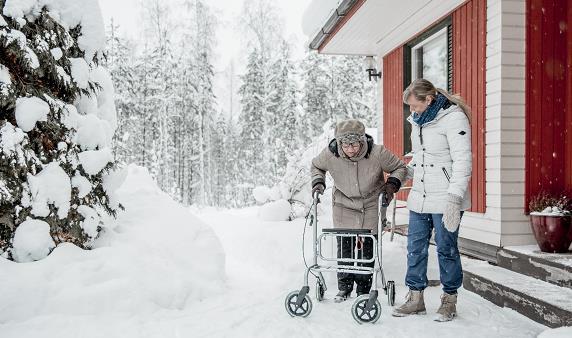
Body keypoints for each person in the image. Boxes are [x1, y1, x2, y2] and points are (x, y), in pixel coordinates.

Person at [392, 78, 472, 322]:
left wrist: (454, 198)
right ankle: (416, 298)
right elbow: (422, 156)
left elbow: (462, 161)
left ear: (429, 99)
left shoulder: (454, 118)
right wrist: (406, 171)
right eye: (409, 107)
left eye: (415, 105)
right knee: (414, 249)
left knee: (447, 249)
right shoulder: (418, 121)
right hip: (420, 197)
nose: (411, 111)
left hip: (446, 196)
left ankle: (449, 300)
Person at [311, 119, 407, 302]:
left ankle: (363, 289)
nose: (351, 149)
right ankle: (344, 288)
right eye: (346, 145)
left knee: (367, 247)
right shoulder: (330, 154)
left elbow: (399, 167)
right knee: (344, 247)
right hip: (343, 204)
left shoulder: (377, 152)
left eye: (354, 144)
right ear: (339, 143)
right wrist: (318, 182)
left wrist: (392, 184)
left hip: (371, 203)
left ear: (362, 140)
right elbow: (316, 166)